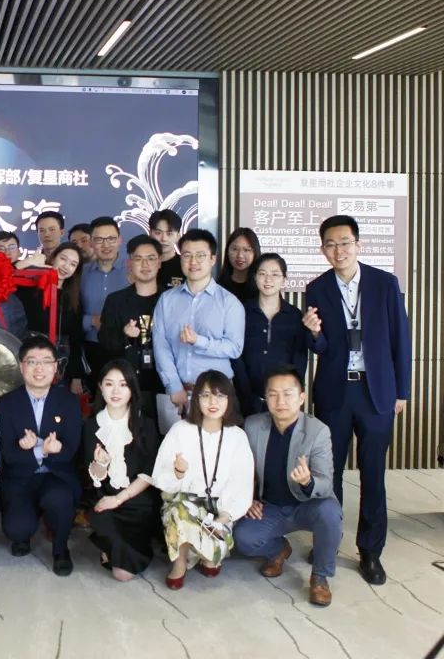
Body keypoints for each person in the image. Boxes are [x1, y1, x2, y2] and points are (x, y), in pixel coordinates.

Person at [302, 214, 410, 586]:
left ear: (358, 244)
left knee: (373, 473)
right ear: (322, 249)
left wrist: (402, 391)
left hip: (376, 391)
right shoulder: (317, 288)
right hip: (336, 391)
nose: (339, 251)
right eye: (331, 245)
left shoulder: (384, 283)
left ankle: (370, 551)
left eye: (345, 242)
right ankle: (328, 540)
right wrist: (313, 334)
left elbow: (401, 339)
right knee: (328, 474)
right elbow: (322, 348)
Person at [234, 365, 342, 607]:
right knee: (243, 538)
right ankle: (278, 550)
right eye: (272, 394)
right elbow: (240, 470)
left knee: (330, 512)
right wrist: (249, 499)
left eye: (287, 394)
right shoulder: (253, 426)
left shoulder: (318, 431)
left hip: (307, 505)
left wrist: (308, 481)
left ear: (301, 397)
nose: (280, 401)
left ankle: (320, 576)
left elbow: (326, 483)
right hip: (270, 506)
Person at [151, 371, 253, 590]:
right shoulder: (180, 430)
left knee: (212, 558)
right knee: (178, 510)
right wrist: (178, 472)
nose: (213, 402)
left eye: (220, 396)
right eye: (206, 395)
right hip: (184, 502)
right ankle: (179, 563)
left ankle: (206, 554)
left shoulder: (237, 436)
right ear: (196, 399)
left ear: (230, 400)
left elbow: (242, 483)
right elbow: (161, 478)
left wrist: (224, 517)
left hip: (219, 509)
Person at [0, 335, 82, 576]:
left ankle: (60, 549)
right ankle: (25, 532)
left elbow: (71, 450)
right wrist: (41, 450)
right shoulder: (5, 404)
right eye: (32, 362)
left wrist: (55, 449)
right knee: (16, 529)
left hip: (56, 474)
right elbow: (7, 454)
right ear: (22, 367)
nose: (39, 369)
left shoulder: (69, 402)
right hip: (20, 476)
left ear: (55, 367)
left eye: (46, 362)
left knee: (60, 498)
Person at [152, 229, 245, 433]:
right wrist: (174, 386)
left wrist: (199, 341)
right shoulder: (167, 300)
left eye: (200, 255)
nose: (193, 262)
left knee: (214, 450)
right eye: (187, 255)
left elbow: (234, 348)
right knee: (176, 450)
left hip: (217, 396)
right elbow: (161, 346)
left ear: (212, 259)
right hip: (177, 395)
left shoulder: (229, 303)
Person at [82, 360, 161, 581]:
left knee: (122, 574)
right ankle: (115, 548)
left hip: (137, 499)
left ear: (132, 389)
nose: (116, 392)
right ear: (100, 387)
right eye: (109, 384)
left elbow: (149, 472)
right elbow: (93, 477)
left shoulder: (145, 424)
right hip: (105, 497)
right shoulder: (91, 426)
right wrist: (100, 465)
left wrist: (119, 499)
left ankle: (123, 550)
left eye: (123, 384)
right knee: (121, 572)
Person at [232, 254, 308, 415]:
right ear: (254, 277)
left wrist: (290, 392)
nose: (268, 280)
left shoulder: (294, 316)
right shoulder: (241, 311)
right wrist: (246, 392)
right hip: (245, 397)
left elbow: (299, 359)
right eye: (262, 273)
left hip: (283, 399)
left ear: (284, 279)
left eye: (275, 274)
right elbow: (236, 355)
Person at [98, 236, 164, 418]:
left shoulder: (171, 299)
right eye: (138, 258)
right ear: (129, 263)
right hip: (125, 386)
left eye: (151, 258)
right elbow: (104, 341)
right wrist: (124, 334)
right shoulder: (115, 300)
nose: (145, 264)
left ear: (159, 262)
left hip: (163, 385)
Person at [17, 242, 86, 394]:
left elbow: (76, 338)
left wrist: (76, 376)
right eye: (63, 259)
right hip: (31, 359)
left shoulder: (74, 298)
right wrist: (27, 263)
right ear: (53, 258)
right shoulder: (31, 287)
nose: (66, 266)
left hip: (61, 364)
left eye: (73, 264)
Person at [79, 217, 130, 389]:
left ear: (120, 240)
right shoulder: (81, 274)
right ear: (91, 243)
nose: (106, 245)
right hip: (92, 347)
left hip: (126, 347)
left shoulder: (133, 270)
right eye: (99, 239)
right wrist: (91, 321)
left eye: (111, 239)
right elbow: (72, 312)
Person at [218, 228, 261, 304]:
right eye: (235, 249)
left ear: (255, 253)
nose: (240, 255)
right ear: (227, 251)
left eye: (246, 250)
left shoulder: (262, 286)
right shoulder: (218, 287)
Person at [149, 209, 184, 290]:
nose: (164, 239)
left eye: (169, 233)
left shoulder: (185, 265)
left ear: (178, 236)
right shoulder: (142, 265)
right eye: (158, 233)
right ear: (150, 233)